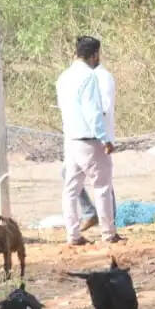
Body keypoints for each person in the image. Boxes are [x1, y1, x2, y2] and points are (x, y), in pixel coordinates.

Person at [57, 35, 121, 246]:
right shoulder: (89, 76)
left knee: (71, 189)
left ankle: (73, 235)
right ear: (94, 55)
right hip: (90, 139)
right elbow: (93, 111)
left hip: (72, 140)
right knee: (102, 187)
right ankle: (108, 233)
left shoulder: (63, 77)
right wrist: (105, 138)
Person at [76, 53, 118, 230]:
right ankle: (90, 213)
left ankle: (109, 222)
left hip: (95, 136)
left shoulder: (102, 77)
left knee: (102, 181)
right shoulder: (82, 76)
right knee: (72, 177)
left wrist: (103, 136)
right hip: (80, 135)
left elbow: (103, 109)